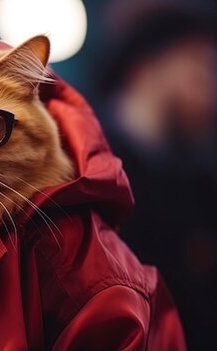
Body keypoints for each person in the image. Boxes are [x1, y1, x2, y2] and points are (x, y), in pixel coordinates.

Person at [96, 3, 217, 349]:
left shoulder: (200, 185)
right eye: (199, 70)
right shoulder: (86, 175)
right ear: (144, 68)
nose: (210, 93)